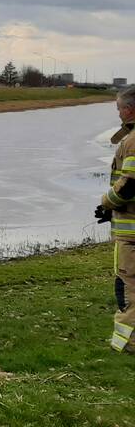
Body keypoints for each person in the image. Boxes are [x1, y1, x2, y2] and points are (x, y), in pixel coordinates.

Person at [96, 86, 135, 354]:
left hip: (131, 235)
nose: (118, 112)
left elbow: (130, 185)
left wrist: (106, 202)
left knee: (128, 285)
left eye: (119, 108)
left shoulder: (132, 141)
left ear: (129, 110)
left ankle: (127, 344)